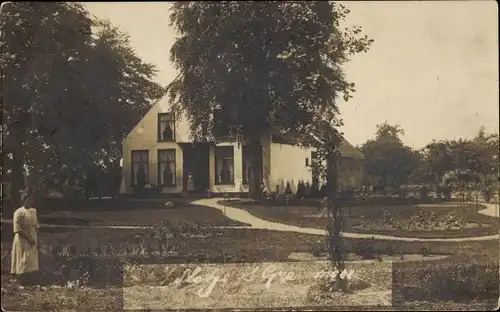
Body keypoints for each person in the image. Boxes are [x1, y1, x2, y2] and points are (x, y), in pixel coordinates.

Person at [11, 191, 40, 286]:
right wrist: (28, 238)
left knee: (31, 259)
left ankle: (29, 280)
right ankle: (21, 280)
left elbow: (36, 226)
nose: (29, 202)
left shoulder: (33, 211)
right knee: (23, 258)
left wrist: (37, 239)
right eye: (27, 199)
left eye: (31, 200)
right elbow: (17, 229)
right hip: (22, 238)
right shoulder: (18, 212)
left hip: (32, 235)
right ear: (23, 200)